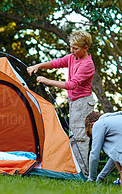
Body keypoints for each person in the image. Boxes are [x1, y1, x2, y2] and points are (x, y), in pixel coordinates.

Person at [27, 30, 95, 177]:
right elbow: (55, 63)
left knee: (79, 139)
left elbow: (71, 85)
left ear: (86, 48)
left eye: (75, 48)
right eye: (71, 47)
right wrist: (37, 66)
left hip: (83, 103)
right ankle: (75, 170)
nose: (72, 51)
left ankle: (82, 174)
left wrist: (46, 81)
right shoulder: (72, 58)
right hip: (75, 102)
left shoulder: (87, 65)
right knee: (74, 137)